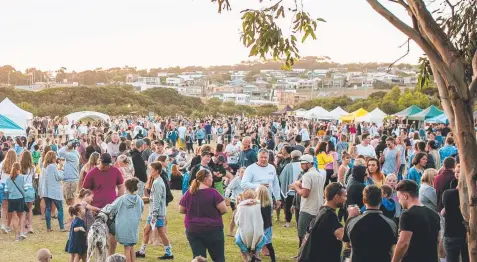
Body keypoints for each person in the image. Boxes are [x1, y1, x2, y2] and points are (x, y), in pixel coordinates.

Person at [298, 182, 359, 262]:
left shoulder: (323, 211)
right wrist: (351, 216)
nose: (346, 199)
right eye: (345, 196)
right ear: (336, 197)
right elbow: (345, 237)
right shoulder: (329, 215)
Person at [179, 169, 228, 262]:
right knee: (218, 258)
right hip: (213, 228)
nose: (212, 180)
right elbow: (224, 209)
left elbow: (181, 209)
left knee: (199, 258)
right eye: (211, 177)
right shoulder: (213, 192)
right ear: (206, 179)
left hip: (193, 229)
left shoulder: (189, 193)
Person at [83, 153, 125, 255]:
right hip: (96, 209)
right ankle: (100, 256)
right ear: (99, 161)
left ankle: (111, 256)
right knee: (98, 233)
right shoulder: (92, 173)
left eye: (108, 164)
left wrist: (118, 200)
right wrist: (90, 206)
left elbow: (121, 186)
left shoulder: (115, 171)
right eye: (103, 164)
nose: (106, 166)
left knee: (113, 232)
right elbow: (85, 191)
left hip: (112, 208)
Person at [343, 185, 397, 262]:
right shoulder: (391, 224)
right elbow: (393, 248)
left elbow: (347, 244)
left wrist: (350, 217)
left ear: (364, 200)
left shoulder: (352, 222)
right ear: (381, 200)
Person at [392, 180, 442, 262]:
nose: (398, 201)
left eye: (398, 197)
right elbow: (439, 241)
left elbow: (403, 243)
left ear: (405, 196)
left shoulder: (407, 215)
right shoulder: (434, 214)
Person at [136, 162, 173, 260]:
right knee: (146, 230)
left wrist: (154, 215)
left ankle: (169, 253)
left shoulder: (157, 183)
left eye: (151, 169)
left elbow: (157, 200)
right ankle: (142, 251)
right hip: (154, 212)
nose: (149, 171)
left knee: (161, 233)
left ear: (156, 171)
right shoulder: (157, 181)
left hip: (156, 213)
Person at [102, 178, 144, 262]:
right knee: (131, 247)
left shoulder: (122, 199)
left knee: (127, 249)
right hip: (134, 225)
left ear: (126, 187)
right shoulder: (139, 199)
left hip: (124, 225)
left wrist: (102, 210)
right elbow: (141, 209)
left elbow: (111, 207)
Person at [290, 154, 325, 247]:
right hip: (317, 208)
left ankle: (301, 256)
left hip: (307, 209)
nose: (301, 166)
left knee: (302, 235)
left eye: (303, 164)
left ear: (309, 164)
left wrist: (296, 187)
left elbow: (305, 194)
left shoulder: (307, 175)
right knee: (314, 235)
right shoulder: (319, 174)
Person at [234, 189, 265, 262]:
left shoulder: (241, 207)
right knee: (264, 239)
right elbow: (262, 203)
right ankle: (257, 252)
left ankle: (247, 254)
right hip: (257, 231)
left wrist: (242, 203)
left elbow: (237, 221)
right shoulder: (258, 206)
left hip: (245, 232)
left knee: (238, 240)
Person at [39, 151, 67, 232]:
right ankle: (61, 227)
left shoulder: (44, 167)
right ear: (53, 158)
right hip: (54, 190)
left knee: (48, 208)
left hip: (46, 191)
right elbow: (59, 177)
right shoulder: (53, 167)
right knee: (60, 208)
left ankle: (48, 228)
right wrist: (61, 169)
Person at [442, 179, 469, 262]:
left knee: (451, 258)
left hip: (451, 233)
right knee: (467, 258)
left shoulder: (448, 194)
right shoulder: (471, 195)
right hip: (467, 233)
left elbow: (443, 212)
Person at [5, 162, 27, 241]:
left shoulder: (8, 179)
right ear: (19, 169)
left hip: (11, 199)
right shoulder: (22, 177)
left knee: (14, 217)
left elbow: (6, 190)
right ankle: (21, 232)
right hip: (20, 198)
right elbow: (26, 188)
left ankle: (17, 236)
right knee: (21, 215)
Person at [256, 185, 276, 262]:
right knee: (269, 244)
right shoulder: (268, 204)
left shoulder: (257, 206)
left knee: (257, 244)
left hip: (260, 227)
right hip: (267, 226)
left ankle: (256, 258)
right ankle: (273, 259)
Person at [58, 141, 80, 206]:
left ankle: (73, 214)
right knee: (68, 199)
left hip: (70, 180)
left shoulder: (72, 155)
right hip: (70, 180)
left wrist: (67, 146)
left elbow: (60, 152)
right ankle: (73, 213)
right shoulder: (74, 153)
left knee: (71, 200)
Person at [225, 167, 245, 236]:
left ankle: (242, 232)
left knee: (244, 216)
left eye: (245, 172)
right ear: (238, 173)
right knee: (235, 215)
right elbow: (229, 188)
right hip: (234, 201)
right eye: (242, 172)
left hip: (244, 201)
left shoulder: (248, 180)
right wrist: (227, 197)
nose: (243, 174)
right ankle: (230, 232)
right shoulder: (236, 180)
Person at [20, 150, 36, 234]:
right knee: (30, 209)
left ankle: (22, 228)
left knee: (23, 211)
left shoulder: (19, 168)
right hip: (30, 190)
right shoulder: (32, 168)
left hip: (21, 191)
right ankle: (30, 226)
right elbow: (34, 178)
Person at [0, 150, 16, 233]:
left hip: (2, 185)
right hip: (12, 186)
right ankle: (10, 225)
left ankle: (3, 224)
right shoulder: (16, 165)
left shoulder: (2, 163)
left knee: (4, 207)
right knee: (12, 208)